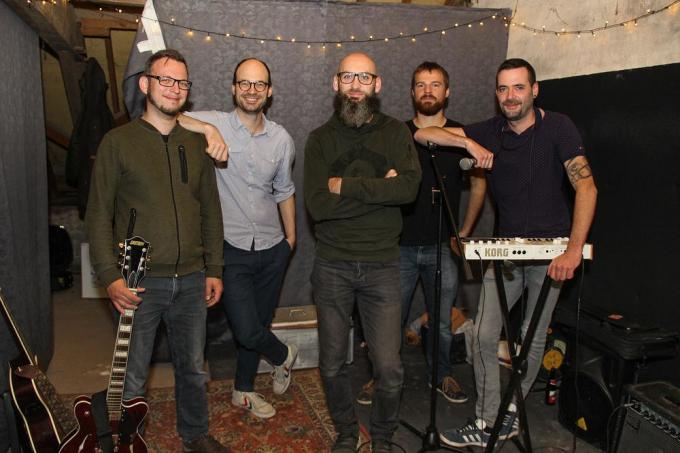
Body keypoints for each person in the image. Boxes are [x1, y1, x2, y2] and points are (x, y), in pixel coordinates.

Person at [415, 58, 598, 448]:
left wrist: (572, 251)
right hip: (507, 254)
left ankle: (510, 413)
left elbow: (587, 188)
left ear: (534, 90)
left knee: (531, 336)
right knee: (483, 332)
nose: (510, 96)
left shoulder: (558, 127)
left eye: (518, 87)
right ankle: (487, 420)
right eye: (502, 88)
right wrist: (467, 142)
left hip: (553, 253)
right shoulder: (491, 130)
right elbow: (423, 133)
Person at [86, 49, 230, 453]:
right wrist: (109, 276)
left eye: (182, 82)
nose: (174, 88)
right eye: (166, 79)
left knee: (193, 368)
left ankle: (195, 434)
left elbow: (210, 212)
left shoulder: (197, 144)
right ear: (146, 84)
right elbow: (98, 215)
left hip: (193, 280)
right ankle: (128, 440)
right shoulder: (118, 143)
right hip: (139, 281)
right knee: (133, 375)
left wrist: (214, 268)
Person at [303, 52, 421, 453]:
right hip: (332, 265)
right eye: (348, 77)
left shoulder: (396, 133)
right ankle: (346, 432)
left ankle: (382, 437)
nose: (356, 85)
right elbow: (318, 205)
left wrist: (344, 186)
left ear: (378, 84)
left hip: (382, 265)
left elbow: (408, 190)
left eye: (364, 77)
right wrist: (381, 190)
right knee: (332, 363)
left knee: (389, 367)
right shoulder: (320, 140)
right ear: (335, 83)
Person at [356, 61, 488, 408]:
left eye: (435, 84)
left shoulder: (462, 137)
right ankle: (381, 377)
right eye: (421, 85)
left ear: (448, 91)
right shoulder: (397, 133)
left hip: (442, 245)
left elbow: (478, 186)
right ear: (412, 92)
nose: (428, 91)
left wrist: (464, 231)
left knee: (442, 321)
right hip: (397, 247)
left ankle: (441, 374)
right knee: (388, 321)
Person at [179, 58, 298, 420]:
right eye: (244, 83)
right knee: (246, 330)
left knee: (257, 325)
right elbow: (170, 116)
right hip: (229, 248)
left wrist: (291, 240)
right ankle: (283, 355)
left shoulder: (281, 139)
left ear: (269, 91)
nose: (251, 90)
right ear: (233, 88)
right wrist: (208, 131)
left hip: (273, 247)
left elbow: (284, 190)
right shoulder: (215, 122)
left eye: (259, 84)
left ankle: (242, 390)